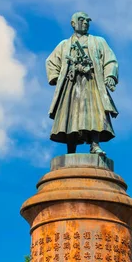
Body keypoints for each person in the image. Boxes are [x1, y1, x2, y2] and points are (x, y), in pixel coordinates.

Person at [46, 12, 119, 155]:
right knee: (70, 114)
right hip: (71, 83)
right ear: (73, 24)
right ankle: (71, 149)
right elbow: (51, 61)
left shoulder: (98, 41)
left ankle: (94, 144)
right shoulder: (65, 45)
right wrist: (55, 76)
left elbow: (110, 59)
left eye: (87, 21)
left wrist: (110, 76)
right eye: (81, 20)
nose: (85, 23)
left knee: (95, 112)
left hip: (92, 81)